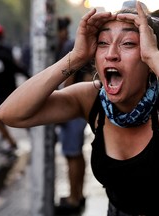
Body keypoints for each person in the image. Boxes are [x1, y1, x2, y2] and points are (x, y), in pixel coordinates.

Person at [0, 2, 159, 215]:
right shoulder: (91, 98)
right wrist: (76, 56)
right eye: (102, 43)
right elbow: (11, 113)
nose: (111, 54)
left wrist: (154, 55)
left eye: (129, 43)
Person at [54, 16, 93, 214]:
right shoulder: (71, 43)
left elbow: (69, 77)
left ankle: (74, 197)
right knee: (75, 154)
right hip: (79, 105)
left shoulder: (70, 45)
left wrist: (65, 99)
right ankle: (77, 194)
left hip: (74, 106)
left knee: (72, 154)